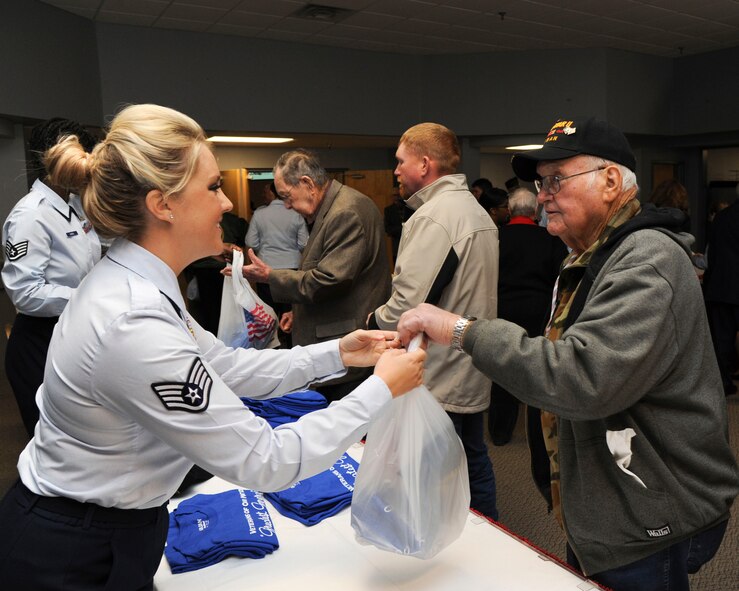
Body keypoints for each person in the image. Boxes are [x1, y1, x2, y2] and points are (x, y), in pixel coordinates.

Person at [0, 104, 426, 590]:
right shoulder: (132, 319)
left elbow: (223, 366)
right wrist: (380, 392)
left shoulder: (138, 281)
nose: (227, 204)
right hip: (70, 550)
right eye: (213, 187)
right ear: (163, 205)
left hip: (107, 527)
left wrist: (340, 353)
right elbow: (266, 459)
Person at [397, 117, 739, 591]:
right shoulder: (589, 255)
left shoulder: (646, 261)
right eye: (540, 183)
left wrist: (460, 329)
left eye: (557, 180)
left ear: (612, 181)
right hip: (612, 501)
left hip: (649, 512)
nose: (541, 195)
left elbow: (580, 378)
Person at [368, 122, 500, 520]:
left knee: (438, 469)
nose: (395, 170)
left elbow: (410, 303)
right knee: (471, 457)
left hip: (440, 370)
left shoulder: (436, 217)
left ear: (424, 164)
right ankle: (491, 538)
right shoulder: (473, 210)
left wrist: (371, 320)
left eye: (400, 161)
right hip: (470, 359)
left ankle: (453, 545)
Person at [238, 149, 392, 402]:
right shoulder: (333, 209)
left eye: (287, 196)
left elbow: (331, 279)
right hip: (336, 339)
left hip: (347, 349)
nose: (287, 205)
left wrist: (270, 276)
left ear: (308, 184)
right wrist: (296, 312)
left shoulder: (346, 212)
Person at [2, 117, 102, 437]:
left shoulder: (74, 204)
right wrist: (93, 298)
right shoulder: (31, 214)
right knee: (55, 440)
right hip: (38, 342)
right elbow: (25, 292)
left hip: (72, 333)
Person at [488, 187, 568, 447]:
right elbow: (561, 275)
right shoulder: (550, 240)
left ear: (509, 211)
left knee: (502, 370)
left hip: (503, 309)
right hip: (539, 310)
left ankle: (500, 432)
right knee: (537, 370)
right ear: (536, 212)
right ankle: (538, 434)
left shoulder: (495, 238)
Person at [245, 182, 309, 347]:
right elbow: (304, 243)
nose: (263, 194)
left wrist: (265, 247)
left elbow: (250, 241)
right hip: (292, 270)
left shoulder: (260, 214)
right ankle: (293, 347)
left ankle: (272, 348)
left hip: (266, 271)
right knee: (292, 313)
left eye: (266, 191)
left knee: (268, 313)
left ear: (273, 193)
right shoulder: (296, 214)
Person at [186, 210, 248, 334]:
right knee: (227, 309)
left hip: (204, 270)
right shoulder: (232, 220)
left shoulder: (198, 220)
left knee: (208, 313)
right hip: (223, 270)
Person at [703, 197, 739, 396]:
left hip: (721, 287)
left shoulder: (721, 218)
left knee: (722, 342)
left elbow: (713, 255)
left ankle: (723, 383)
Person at [383, 185, 412, 263]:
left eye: (398, 195)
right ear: (392, 197)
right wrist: (403, 227)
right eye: (395, 195)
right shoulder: (388, 210)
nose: (397, 198)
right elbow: (387, 229)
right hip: (396, 246)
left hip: (410, 244)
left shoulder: (410, 208)